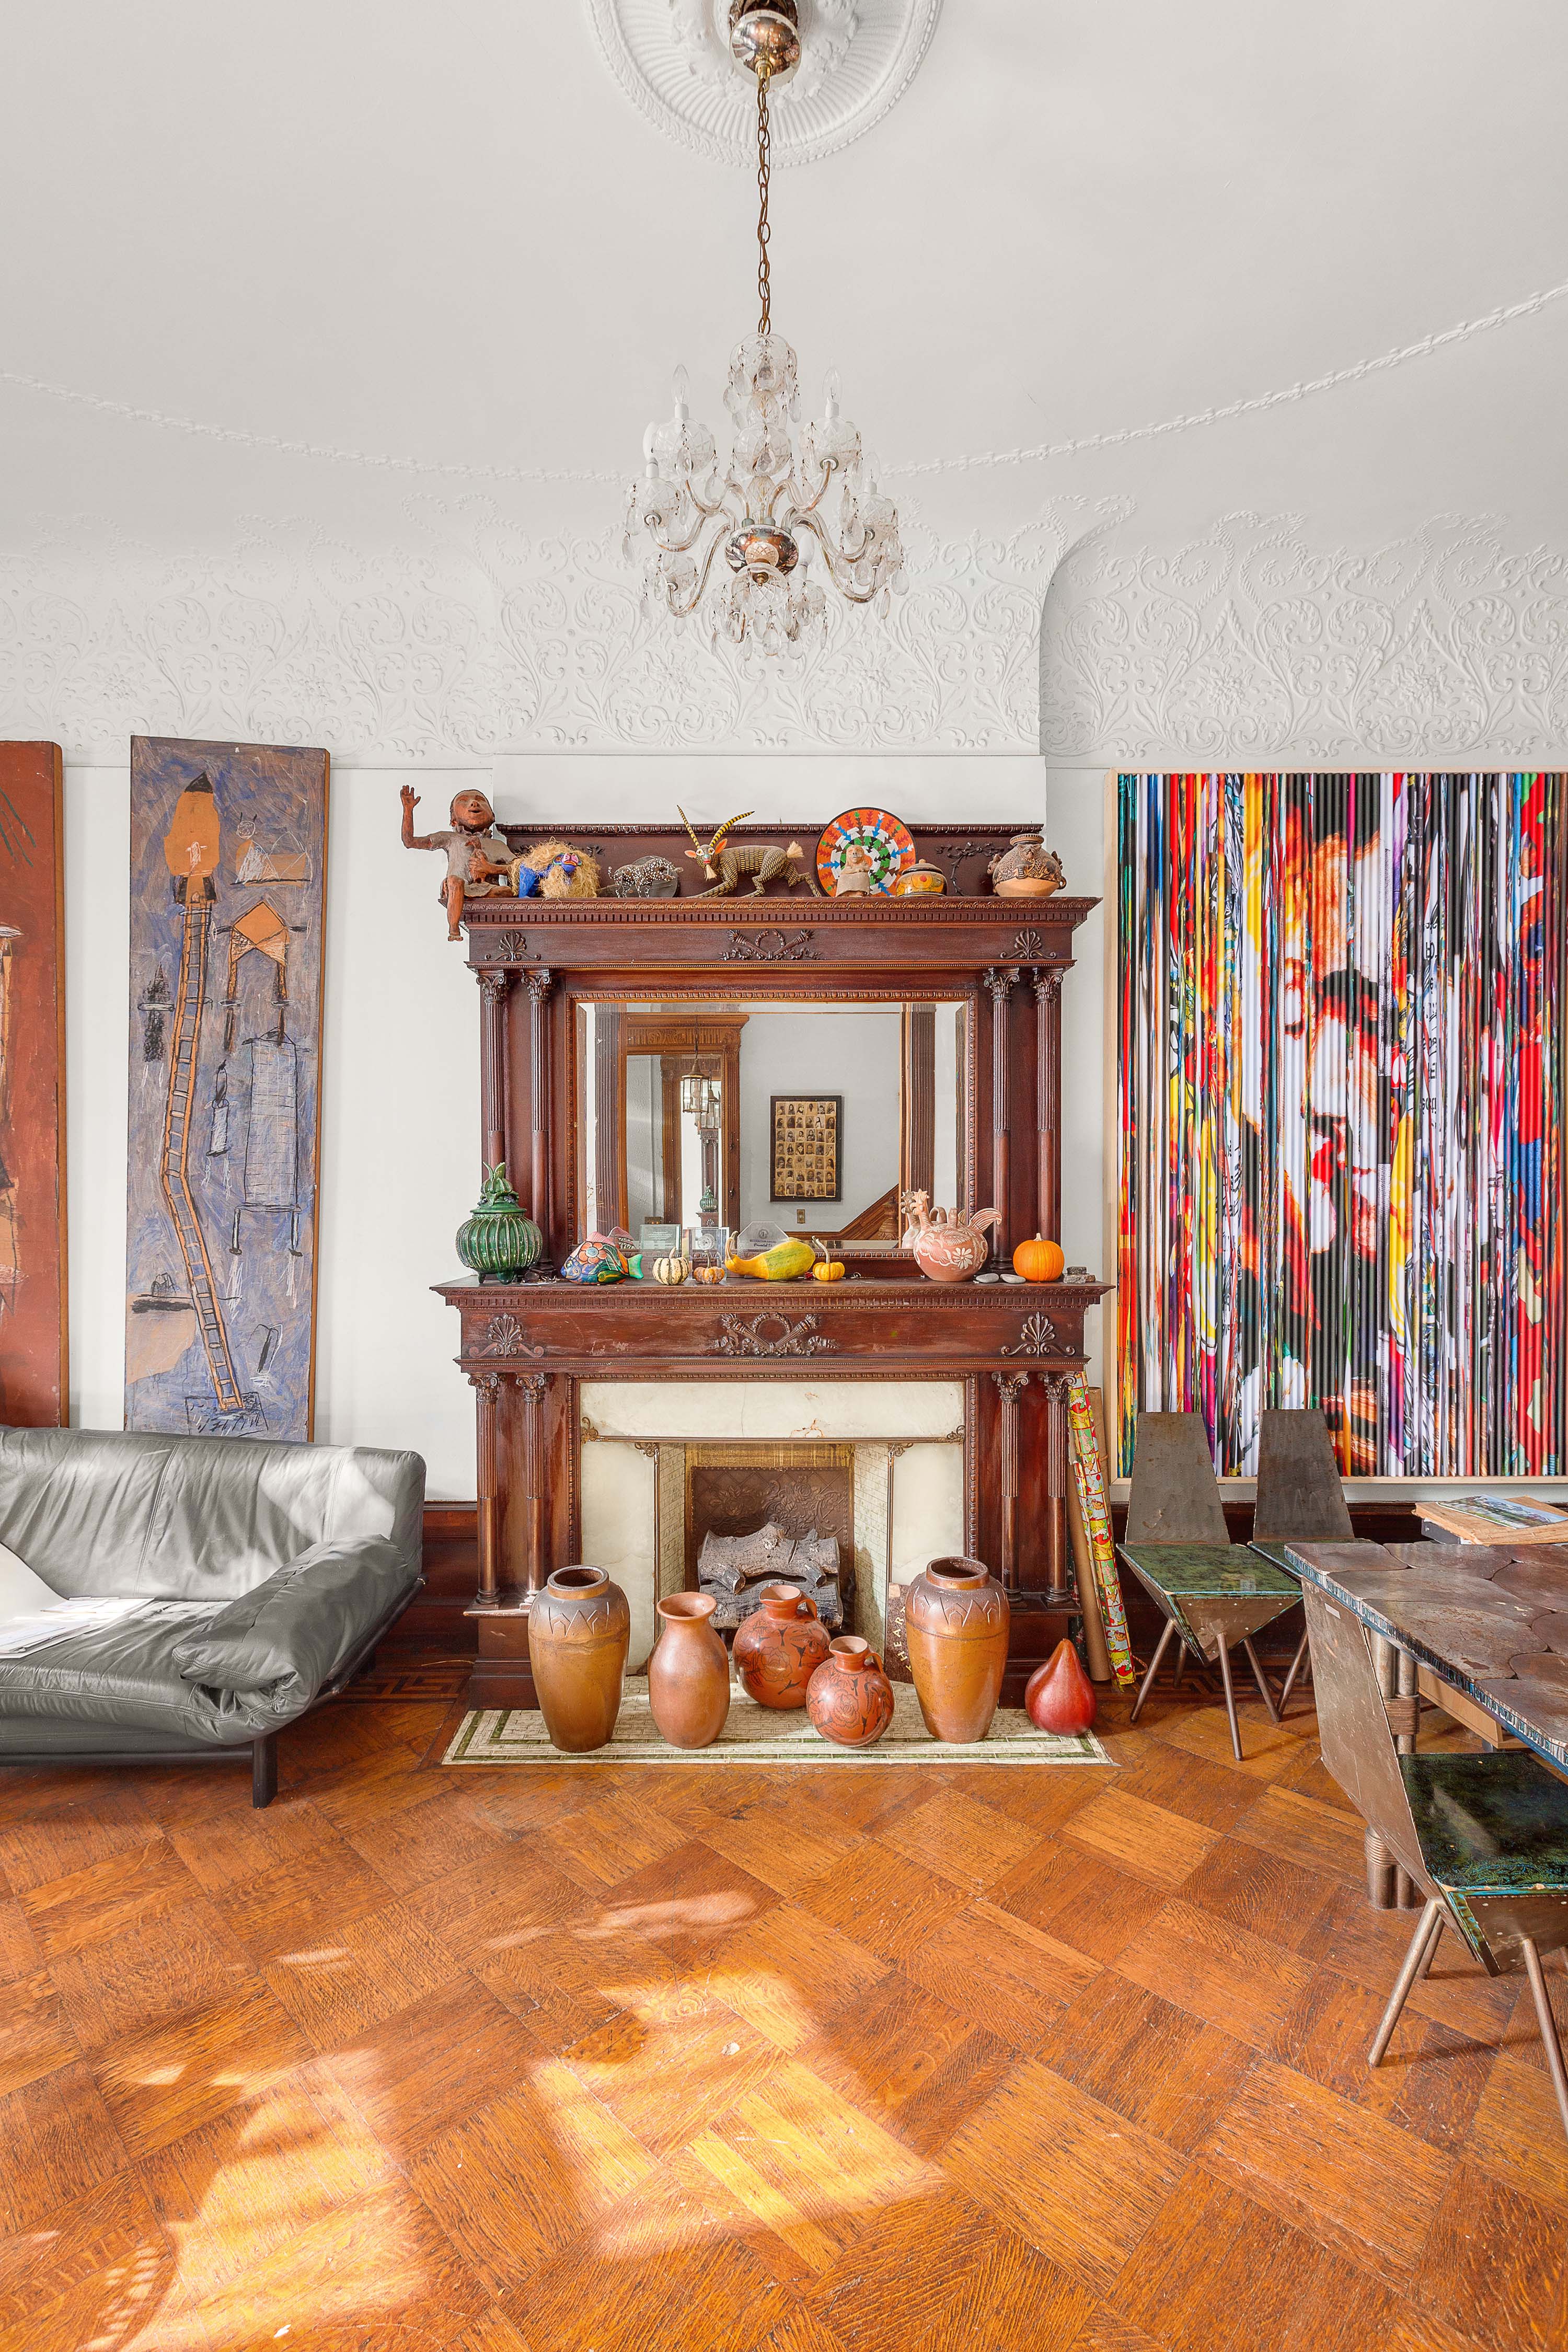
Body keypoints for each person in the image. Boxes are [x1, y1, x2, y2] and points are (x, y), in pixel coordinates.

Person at [400, 786, 513, 940]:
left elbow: (520, 867)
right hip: (459, 888)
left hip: (487, 889)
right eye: (464, 801)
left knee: (506, 891)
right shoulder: (450, 839)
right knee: (454, 881)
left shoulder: (498, 846)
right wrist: (408, 811)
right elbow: (410, 841)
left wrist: (491, 868)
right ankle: (453, 929)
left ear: (492, 816)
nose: (473, 803)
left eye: (480, 800)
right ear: (453, 820)